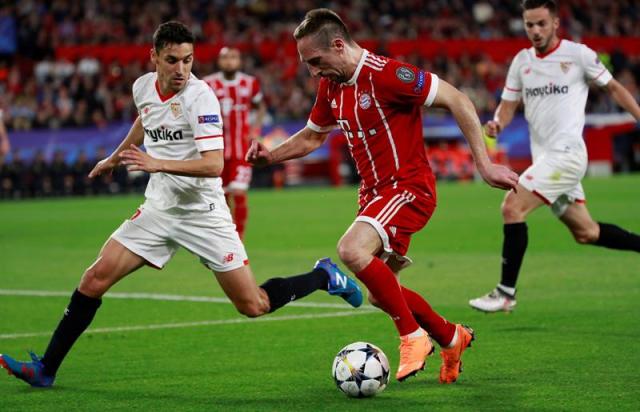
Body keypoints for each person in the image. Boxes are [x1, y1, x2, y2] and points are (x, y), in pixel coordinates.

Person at [0, 21, 362, 389]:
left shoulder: (200, 97)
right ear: (153, 56)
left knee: (254, 305)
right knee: (94, 279)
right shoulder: (142, 86)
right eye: (172, 60)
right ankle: (45, 369)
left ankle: (323, 275)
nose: (181, 70)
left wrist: (157, 163)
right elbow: (146, 116)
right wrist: (116, 156)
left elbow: (213, 164)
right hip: (158, 209)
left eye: (188, 61)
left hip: (202, 214)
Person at [247, 9, 519, 384]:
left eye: (315, 61)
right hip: (373, 196)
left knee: (350, 249)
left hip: (407, 188)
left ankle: (412, 337)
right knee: (380, 294)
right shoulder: (332, 86)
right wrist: (270, 157)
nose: (312, 72)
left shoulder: (387, 75)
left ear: (339, 45)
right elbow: (312, 136)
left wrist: (484, 164)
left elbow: (457, 99)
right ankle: (452, 337)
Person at [468, 0, 640, 313]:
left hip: (568, 155)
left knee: (512, 206)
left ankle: (505, 293)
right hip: (545, 160)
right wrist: (498, 123)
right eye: (529, 24)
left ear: (556, 23)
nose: (535, 31)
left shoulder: (578, 55)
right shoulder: (522, 61)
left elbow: (613, 88)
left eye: (541, 24)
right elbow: (508, 105)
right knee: (586, 233)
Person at [203, 47, 266, 239]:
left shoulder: (250, 83)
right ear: (219, 61)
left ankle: (239, 239)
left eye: (233, 58)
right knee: (221, 197)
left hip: (241, 151)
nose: (229, 62)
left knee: (239, 193)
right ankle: (223, 236)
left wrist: (255, 129)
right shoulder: (208, 83)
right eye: (225, 58)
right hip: (216, 151)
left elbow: (260, 106)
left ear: (239, 61)